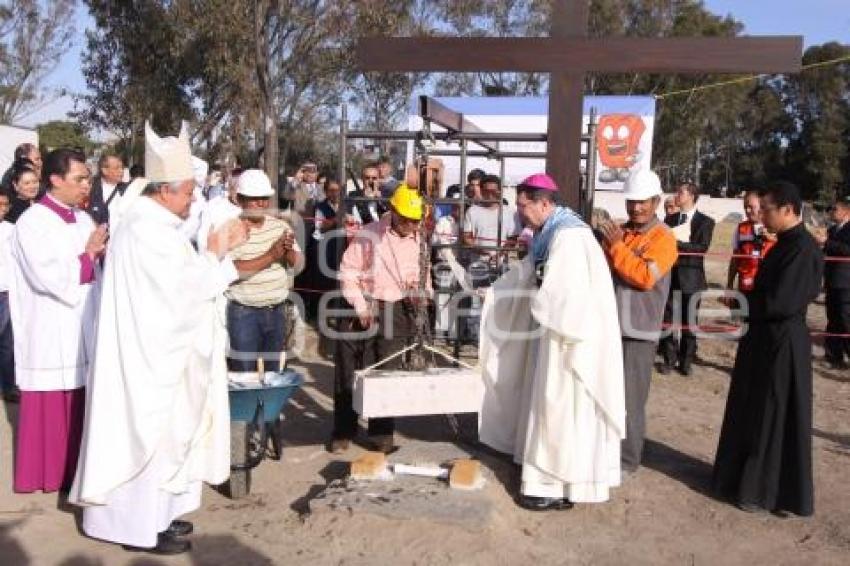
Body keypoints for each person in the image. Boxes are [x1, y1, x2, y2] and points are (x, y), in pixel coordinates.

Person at [69, 121, 248, 555]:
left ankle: (161, 516)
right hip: (146, 361)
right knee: (146, 434)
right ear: (164, 191)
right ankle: (135, 528)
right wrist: (215, 252)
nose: (191, 202)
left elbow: (183, 286)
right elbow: (180, 293)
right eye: (187, 193)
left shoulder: (155, 226)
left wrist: (213, 257)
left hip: (159, 352)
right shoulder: (146, 231)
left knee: (169, 438)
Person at [479, 174, 625, 511]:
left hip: (569, 340)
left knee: (560, 406)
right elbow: (529, 272)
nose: (520, 213)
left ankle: (553, 484)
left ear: (544, 202)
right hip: (552, 333)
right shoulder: (549, 232)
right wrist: (497, 292)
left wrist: (534, 299)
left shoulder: (571, 235)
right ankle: (550, 482)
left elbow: (563, 294)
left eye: (523, 206)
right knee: (549, 404)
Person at [712, 181, 823, 517]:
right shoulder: (785, 244)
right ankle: (744, 480)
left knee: (772, 418)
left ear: (788, 209)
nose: (761, 215)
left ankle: (764, 490)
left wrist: (743, 304)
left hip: (782, 344)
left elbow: (783, 301)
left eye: (767, 209)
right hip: (763, 338)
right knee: (754, 412)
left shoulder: (803, 248)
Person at [8, 148, 105, 493]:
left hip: (83, 321)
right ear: (55, 180)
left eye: (88, 178)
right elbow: (46, 275)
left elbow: (96, 271)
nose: (86, 185)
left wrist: (102, 254)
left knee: (82, 395)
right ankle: (49, 473)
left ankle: (78, 471)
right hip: (50, 326)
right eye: (80, 179)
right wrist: (90, 253)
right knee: (52, 401)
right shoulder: (31, 222)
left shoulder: (82, 218)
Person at [331, 184, 430, 454]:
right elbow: (348, 272)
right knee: (347, 369)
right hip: (360, 302)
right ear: (394, 211)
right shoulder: (369, 234)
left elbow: (425, 277)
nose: (411, 225)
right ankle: (343, 430)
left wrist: (420, 294)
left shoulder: (419, 240)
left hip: (396, 309)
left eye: (415, 220)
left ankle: (381, 434)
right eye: (407, 219)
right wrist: (361, 307)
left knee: (386, 370)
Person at [597, 169, 678, 474]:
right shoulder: (623, 232)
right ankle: (606, 449)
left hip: (638, 331)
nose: (636, 208)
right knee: (607, 393)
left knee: (631, 400)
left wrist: (616, 246)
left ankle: (626, 460)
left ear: (656, 202)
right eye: (631, 202)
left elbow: (644, 277)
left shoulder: (664, 239)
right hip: (610, 326)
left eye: (642, 202)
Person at [226, 169, 302, 373]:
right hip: (243, 313)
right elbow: (232, 272)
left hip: (276, 311)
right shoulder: (229, 229)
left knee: (274, 374)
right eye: (254, 199)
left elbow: (298, 263)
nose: (261, 204)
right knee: (243, 375)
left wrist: (287, 253)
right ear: (240, 199)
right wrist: (271, 255)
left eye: (264, 199)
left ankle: (269, 406)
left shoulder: (280, 227)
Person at [659, 182, 715, 376]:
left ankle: (686, 362)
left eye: (681, 192)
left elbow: (702, 248)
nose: (677, 195)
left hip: (692, 279)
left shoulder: (706, 222)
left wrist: (679, 244)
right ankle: (668, 359)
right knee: (667, 321)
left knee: (689, 323)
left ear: (692, 196)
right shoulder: (670, 218)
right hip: (670, 277)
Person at [814, 195, 850, 368]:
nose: (831, 212)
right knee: (833, 318)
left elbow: (846, 250)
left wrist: (826, 243)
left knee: (845, 318)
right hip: (831, 280)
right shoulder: (833, 229)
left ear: (846, 211)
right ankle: (834, 355)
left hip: (846, 282)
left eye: (835, 209)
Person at [463, 174, 520, 261]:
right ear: (481, 191)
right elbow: (466, 237)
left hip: (501, 263)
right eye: (486, 191)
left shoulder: (510, 212)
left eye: (493, 191)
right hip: (477, 264)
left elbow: (512, 239)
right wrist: (478, 249)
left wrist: (499, 254)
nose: (490, 195)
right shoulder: (472, 211)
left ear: (500, 191)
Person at [0, 189, 17, 402]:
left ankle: (8, 385)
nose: (2, 209)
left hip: (8, 291)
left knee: (8, 343)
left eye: (5, 205)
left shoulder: (12, 230)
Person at [87, 153, 128, 225]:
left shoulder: (128, 190)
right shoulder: (90, 190)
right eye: (117, 168)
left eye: (122, 168)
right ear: (104, 170)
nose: (121, 171)